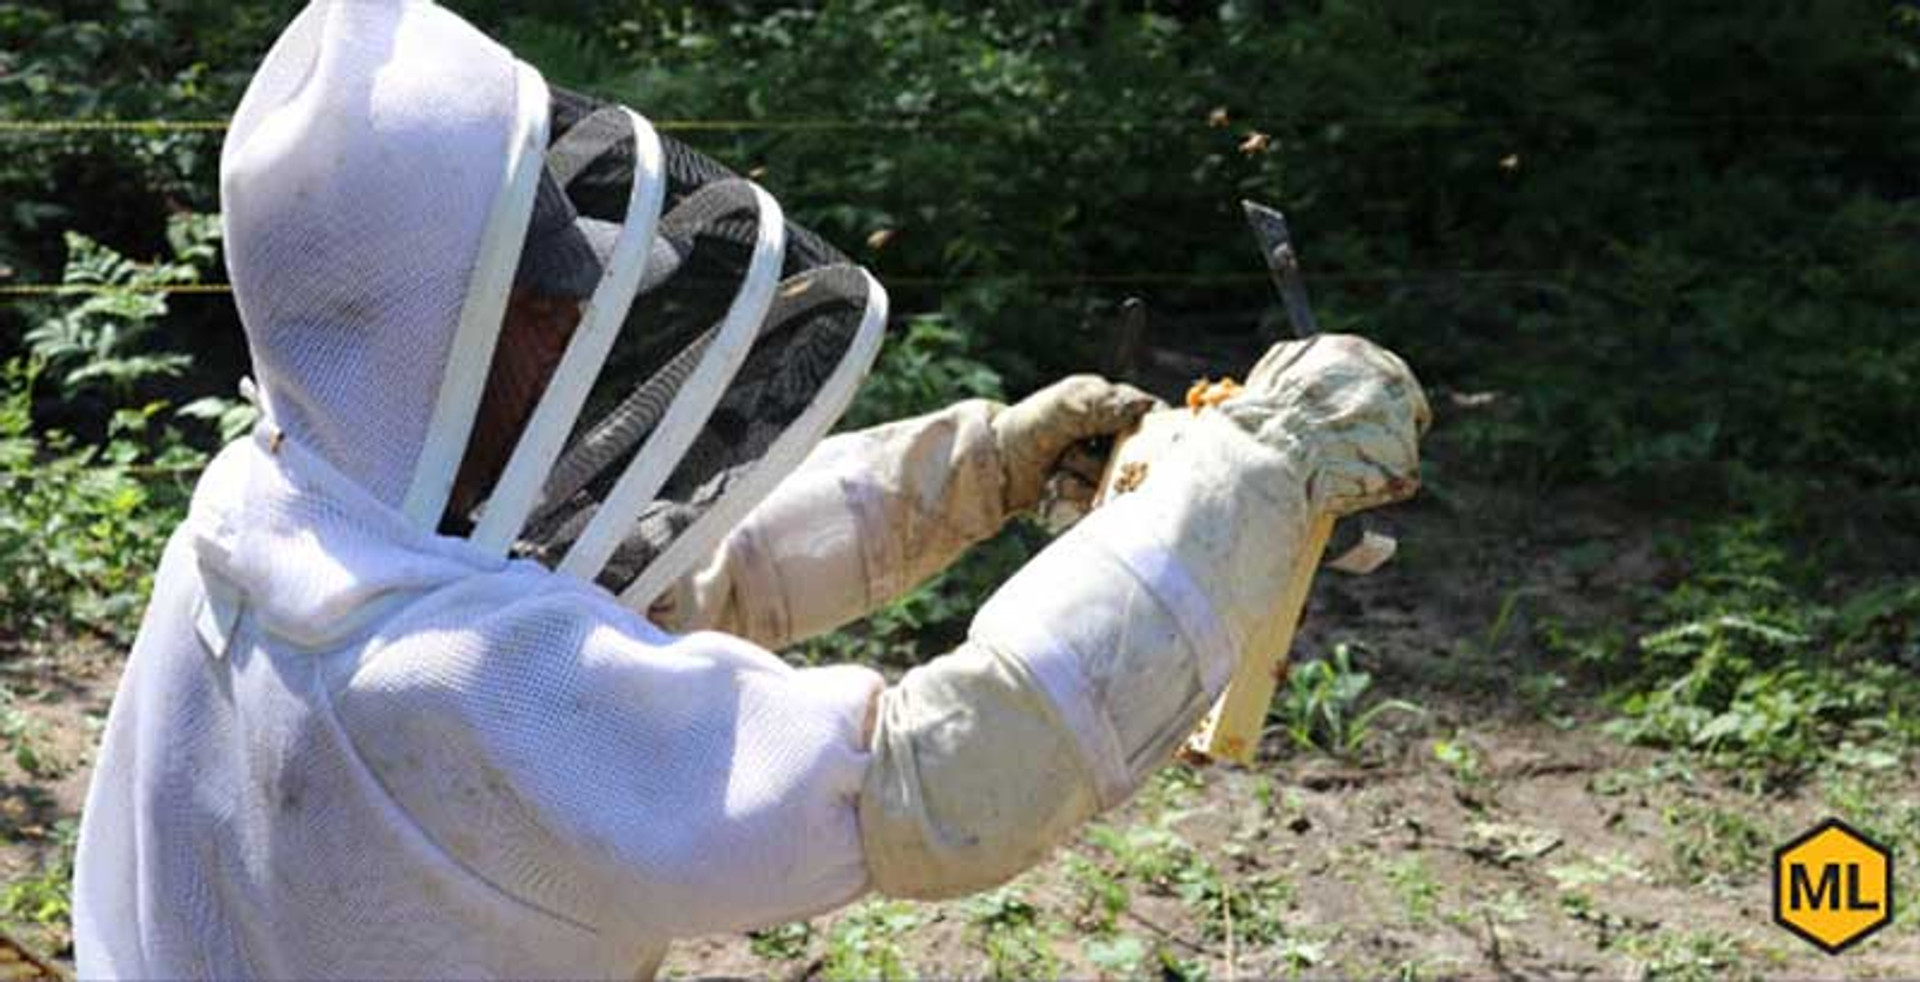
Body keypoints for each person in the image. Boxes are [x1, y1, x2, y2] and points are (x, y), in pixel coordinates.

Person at [72, 2, 1429, 978]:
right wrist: (1253, 476)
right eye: (536, 294)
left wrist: (966, 475)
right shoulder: (453, 687)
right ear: (421, 334)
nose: (578, 313)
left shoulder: (259, 518)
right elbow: (937, 778)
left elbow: (660, 590)